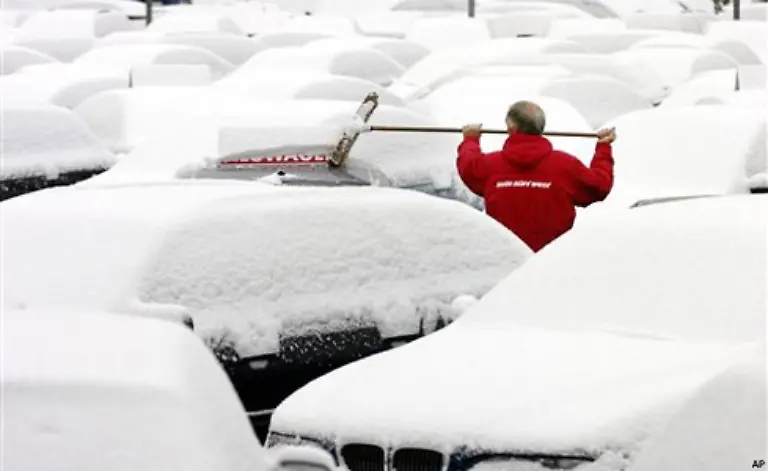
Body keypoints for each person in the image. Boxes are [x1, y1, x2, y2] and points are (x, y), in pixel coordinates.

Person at [457, 100, 616, 252]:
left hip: (506, 263)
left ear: (511, 127)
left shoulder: (491, 166)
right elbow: (599, 185)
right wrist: (603, 147)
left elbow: (469, 167)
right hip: (550, 262)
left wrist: (470, 140)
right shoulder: (565, 166)